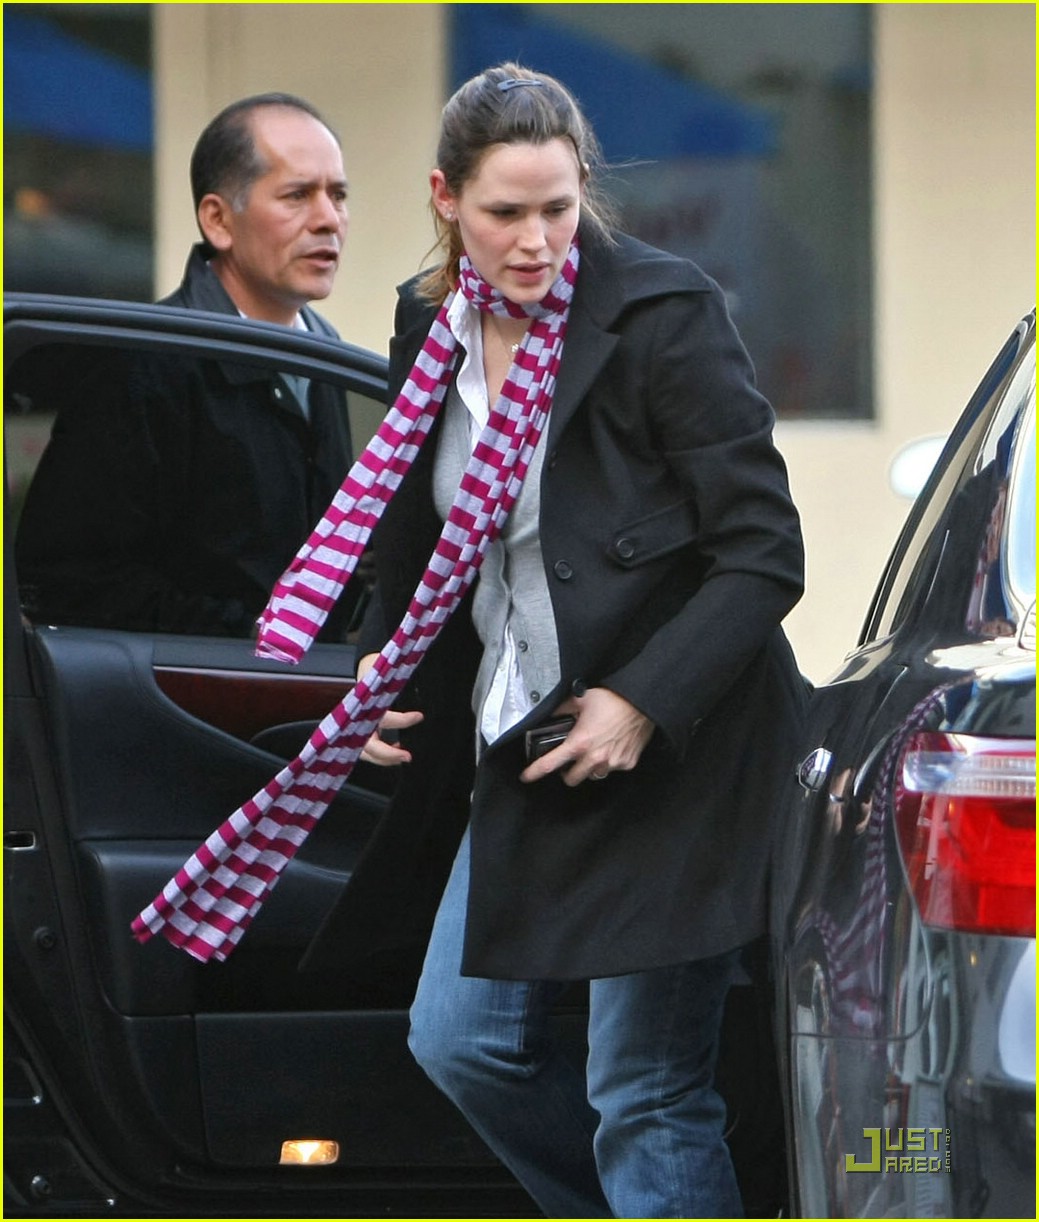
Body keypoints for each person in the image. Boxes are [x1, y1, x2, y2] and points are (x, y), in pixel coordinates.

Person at [328, 63, 808, 1218]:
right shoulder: (429, 323)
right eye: (505, 212)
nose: (537, 240)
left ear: (584, 186)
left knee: (644, 1087)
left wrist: (640, 701)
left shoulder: (659, 313)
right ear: (446, 198)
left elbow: (763, 550)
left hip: (681, 747)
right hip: (531, 734)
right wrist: (380, 659)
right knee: (460, 1043)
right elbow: (414, 527)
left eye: (557, 206)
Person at [15, 93, 364, 638]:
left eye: (337, 195)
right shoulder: (146, 367)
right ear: (218, 220)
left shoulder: (323, 351)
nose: (328, 220)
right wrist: (254, 638)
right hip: (190, 685)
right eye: (297, 195)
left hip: (302, 683)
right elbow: (70, 583)